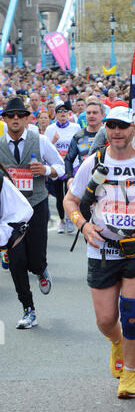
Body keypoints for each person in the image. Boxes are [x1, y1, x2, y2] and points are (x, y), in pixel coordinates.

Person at [63, 106, 135, 399]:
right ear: (106, 129)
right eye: (112, 126)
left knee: (132, 315)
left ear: (133, 130)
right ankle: (116, 342)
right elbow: (71, 200)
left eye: (123, 126)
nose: (117, 132)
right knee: (106, 320)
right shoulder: (94, 162)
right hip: (102, 251)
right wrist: (83, 226)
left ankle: (129, 373)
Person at [0, 97, 65, 329]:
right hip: (11, 212)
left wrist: (46, 169)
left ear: (28, 118)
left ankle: (41, 269)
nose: (15, 119)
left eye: (20, 115)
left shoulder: (41, 140)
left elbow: (61, 167)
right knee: (17, 261)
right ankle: (28, 309)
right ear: (5, 119)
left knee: (35, 259)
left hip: (36, 205)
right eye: (11, 115)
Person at [44, 101, 81, 233]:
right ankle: (62, 221)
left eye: (65, 111)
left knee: (70, 195)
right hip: (57, 167)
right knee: (60, 196)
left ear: (68, 113)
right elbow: (46, 149)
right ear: (55, 114)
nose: (62, 114)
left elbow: (80, 147)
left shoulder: (75, 127)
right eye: (59, 111)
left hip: (72, 166)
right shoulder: (50, 129)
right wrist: (53, 141)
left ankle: (71, 220)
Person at [65, 101, 105, 186]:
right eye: (88, 113)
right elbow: (68, 160)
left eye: (95, 113)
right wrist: (70, 178)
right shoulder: (78, 136)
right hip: (85, 181)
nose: (91, 115)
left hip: (106, 182)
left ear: (103, 115)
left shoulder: (110, 135)